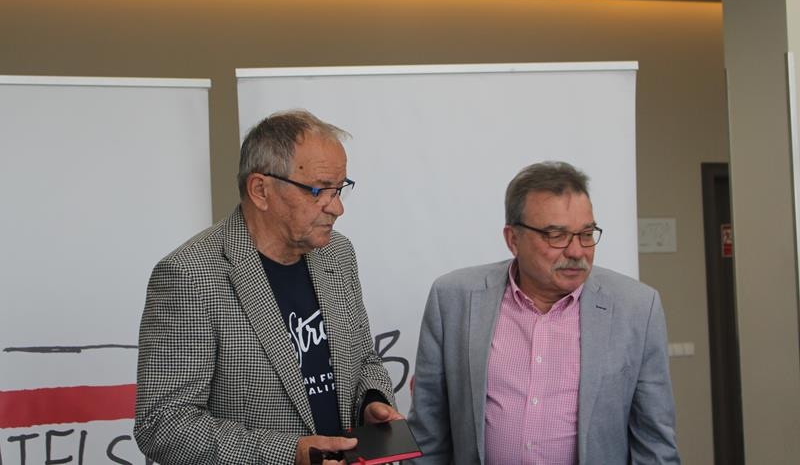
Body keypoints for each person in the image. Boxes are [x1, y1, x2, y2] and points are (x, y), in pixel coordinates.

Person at [134, 109, 401, 465]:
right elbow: (163, 424)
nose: (337, 208)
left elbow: (364, 358)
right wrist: (291, 454)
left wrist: (372, 402)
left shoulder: (337, 254)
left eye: (340, 189)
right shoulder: (189, 276)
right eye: (319, 190)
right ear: (260, 190)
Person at [407, 161, 680, 465]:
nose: (576, 251)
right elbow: (427, 435)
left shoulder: (637, 308)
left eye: (586, 233)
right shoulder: (453, 299)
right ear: (513, 239)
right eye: (556, 235)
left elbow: (655, 443)